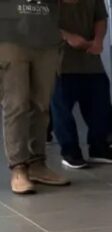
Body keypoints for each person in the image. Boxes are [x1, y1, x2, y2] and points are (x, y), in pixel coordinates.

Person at [0, 0, 69, 194]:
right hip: (8, 36)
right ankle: (19, 168)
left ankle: (37, 164)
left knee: (41, 105)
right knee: (16, 104)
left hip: (46, 38)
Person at [53, 0, 112, 169]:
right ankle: (70, 152)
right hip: (59, 63)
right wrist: (68, 36)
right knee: (62, 112)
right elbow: (42, 22)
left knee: (99, 106)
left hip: (91, 60)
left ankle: (99, 148)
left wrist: (98, 40)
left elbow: (100, 19)